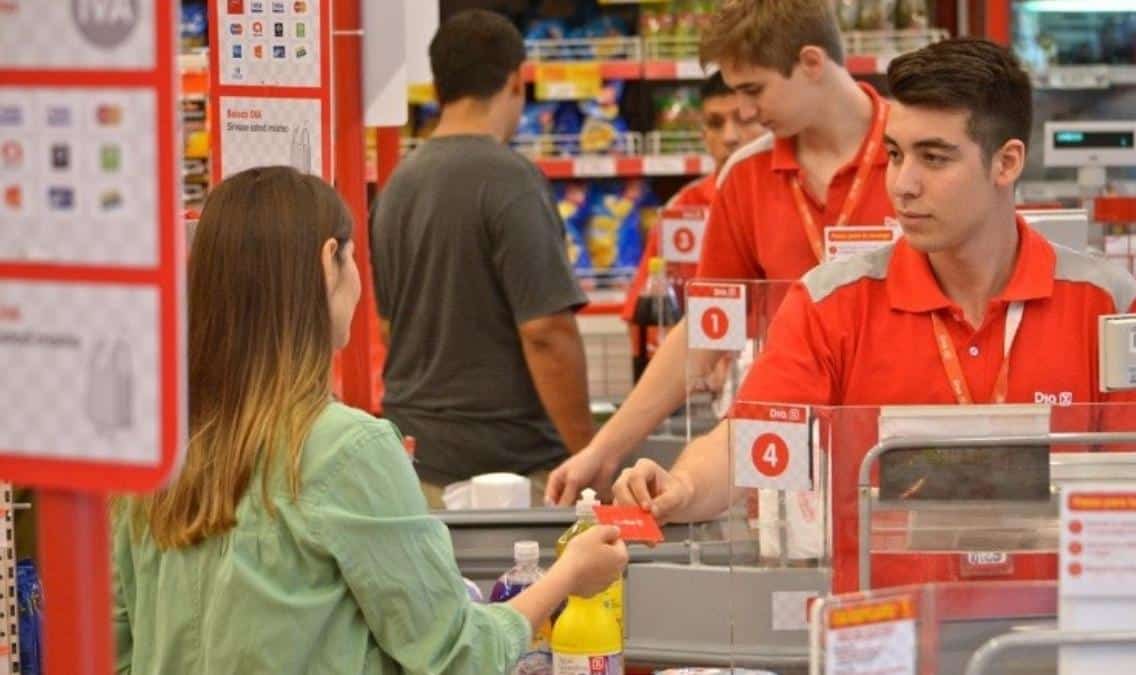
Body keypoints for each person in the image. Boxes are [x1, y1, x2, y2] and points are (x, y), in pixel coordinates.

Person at [610, 38, 1136, 523]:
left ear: (1006, 163)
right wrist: (681, 487)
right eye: (895, 155)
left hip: (1053, 621)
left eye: (934, 158)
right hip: (885, 619)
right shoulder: (829, 303)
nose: (903, 185)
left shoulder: (1109, 304)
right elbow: (747, 440)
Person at [112, 166, 628, 674]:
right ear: (328, 262)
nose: (360, 284)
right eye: (354, 259)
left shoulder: (151, 453)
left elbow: (114, 651)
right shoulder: (345, 449)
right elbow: (455, 656)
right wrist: (568, 575)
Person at [547, 0, 894, 505]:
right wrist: (604, 448)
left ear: (812, 63)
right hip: (783, 451)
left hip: (901, 438)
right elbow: (708, 329)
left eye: (753, 90)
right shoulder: (746, 177)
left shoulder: (915, 155)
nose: (746, 114)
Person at [371, 10, 593, 507]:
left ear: (438, 85)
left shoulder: (396, 187)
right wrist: (590, 455)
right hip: (510, 471)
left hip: (414, 465)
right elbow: (547, 334)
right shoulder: (510, 179)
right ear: (516, 80)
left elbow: (389, 327)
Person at [619, 71, 765, 355]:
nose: (730, 137)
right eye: (715, 123)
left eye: (743, 120)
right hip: (700, 380)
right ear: (703, 135)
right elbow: (645, 313)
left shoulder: (791, 196)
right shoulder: (682, 209)